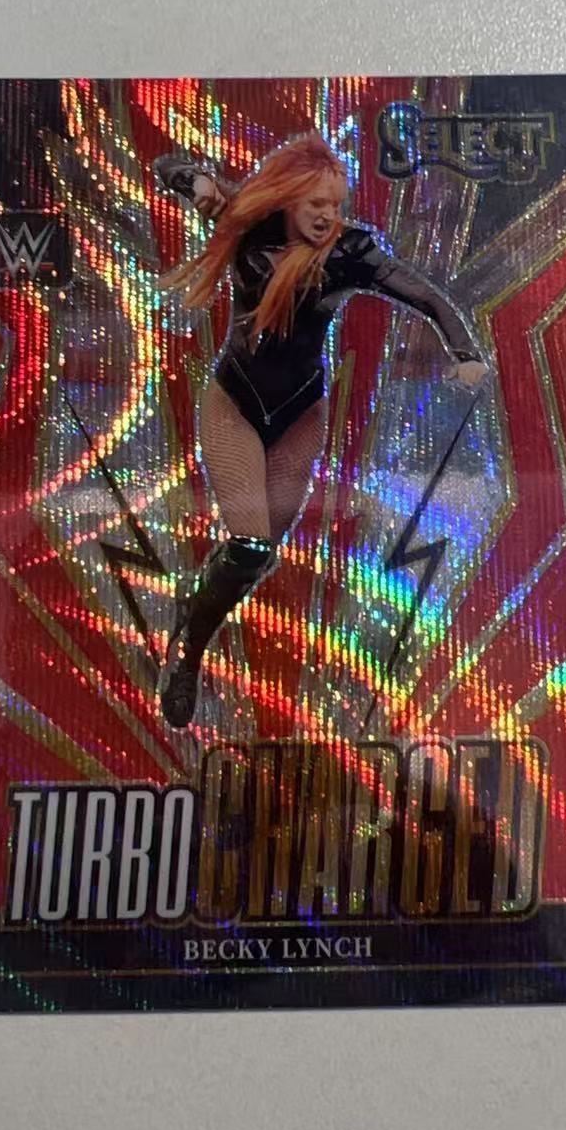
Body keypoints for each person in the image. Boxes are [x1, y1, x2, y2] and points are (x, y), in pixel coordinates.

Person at [153, 133, 487, 727]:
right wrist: (195, 179)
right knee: (249, 545)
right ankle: (188, 655)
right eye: (316, 205)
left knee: (258, 556)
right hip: (235, 402)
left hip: (301, 412)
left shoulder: (352, 252)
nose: (327, 216)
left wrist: (463, 351)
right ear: (288, 200)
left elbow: (424, 295)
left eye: (335, 205)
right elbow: (165, 164)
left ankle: (197, 599)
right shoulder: (246, 221)